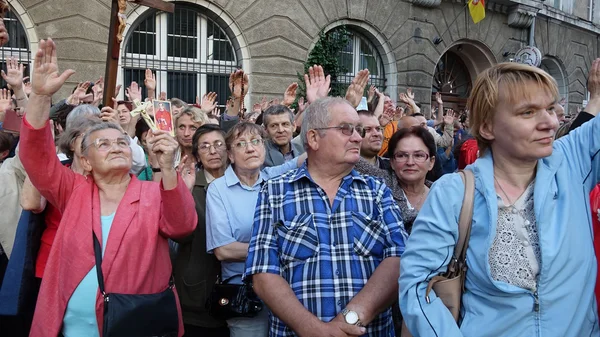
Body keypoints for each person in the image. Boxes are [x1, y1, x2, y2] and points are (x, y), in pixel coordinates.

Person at [399, 61, 600, 336]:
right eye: (528, 112)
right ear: (487, 127)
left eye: (551, 108)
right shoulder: (453, 193)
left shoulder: (573, 161)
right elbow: (417, 286)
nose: (550, 122)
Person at [21, 39, 197, 337]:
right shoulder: (72, 189)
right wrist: (38, 96)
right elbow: (35, 156)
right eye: (103, 143)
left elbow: (182, 227)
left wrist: (167, 168)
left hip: (135, 325)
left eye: (120, 142)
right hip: (72, 328)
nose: (115, 147)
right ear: (85, 161)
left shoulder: (153, 192)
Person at [244, 97, 407, 337]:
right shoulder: (274, 191)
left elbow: (399, 257)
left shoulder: (377, 191)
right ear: (312, 138)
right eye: (345, 129)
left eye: (358, 130)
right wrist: (312, 329)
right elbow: (263, 271)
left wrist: (351, 318)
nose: (357, 137)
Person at [206, 122, 307, 337]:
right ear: (230, 155)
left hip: (287, 292)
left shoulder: (275, 178)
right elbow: (223, 250)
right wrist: (278, 247)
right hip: (246, 295)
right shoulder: (219, 189)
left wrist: (316, 103)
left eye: (256, 142)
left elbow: (310, 154)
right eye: (240, 144)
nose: (250, 148)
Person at [173, 124, 230, 337]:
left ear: (229, 150)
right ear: (196, 156)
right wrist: (183, 196)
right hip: (198, 293)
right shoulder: (189, 186)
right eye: (205, 147)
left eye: (218, 144)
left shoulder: (244, 183)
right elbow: (180, 234)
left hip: (242, 291)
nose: (213, 151)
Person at [355, 126, 436, 233]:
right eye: (401, 155)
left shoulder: (442, 195)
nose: (410, 162)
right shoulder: (380, 183)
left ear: (431, 162)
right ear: (392, 162)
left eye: (419, 155)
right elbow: (354, 160)